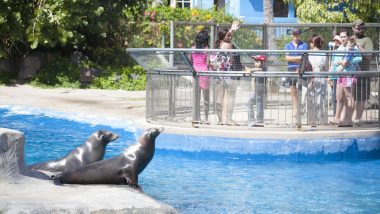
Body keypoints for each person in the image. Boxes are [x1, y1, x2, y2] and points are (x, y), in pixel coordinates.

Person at [211, 20, 240, 125]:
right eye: (229, 36)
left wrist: (231, 31)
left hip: (220, 74)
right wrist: (232, 30)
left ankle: (221, 119)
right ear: (223, 36)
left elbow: (212, 62)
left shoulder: (219, 45)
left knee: (222, 98)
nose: (231, 37)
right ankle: (227, 119)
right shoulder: (227, 45)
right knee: (227, 98)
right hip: (226, 74)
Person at [333, 30, 362, 127]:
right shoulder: (339, 48)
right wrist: (342, 62)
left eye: (344, 36)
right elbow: (335, 61)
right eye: (341, 37)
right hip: (340, 74)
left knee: (349, 96)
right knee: (339, 97)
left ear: (348, 37)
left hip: (348, 74)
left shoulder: (353, 47)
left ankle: (349, 120)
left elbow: (359, 58)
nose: (342, 38)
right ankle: (339, 119)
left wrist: (350, 61)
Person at [352, 19, 374, 125]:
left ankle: (357, 119)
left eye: (362, 28)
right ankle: (346, 118)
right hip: (350, 73)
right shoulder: (349, 39)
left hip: (363, 73)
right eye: (358, 27)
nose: (361, 29)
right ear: (353, 28)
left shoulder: (367, 40)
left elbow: (369, 56)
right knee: (349, 97)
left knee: (360, 98)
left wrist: (359, 48)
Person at [284, 28, 308, 120]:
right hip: (291, 69)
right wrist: (299, 57)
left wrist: (293, 57)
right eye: (294, 35)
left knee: (302, 92)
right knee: (293, 91)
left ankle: (302, 110)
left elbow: (304, 57)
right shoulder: (287, 45)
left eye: (297, 34)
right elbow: (287, 58)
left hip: (301, 70)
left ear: (300, 35)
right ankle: (295, 111)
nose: (295, 36)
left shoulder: (304, 45)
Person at [307, 34, 328, 126]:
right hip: (321, 76)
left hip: (313, 75)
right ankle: (320, 119)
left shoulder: (310, 53)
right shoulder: (323, 53)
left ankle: (313, 119)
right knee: (320, 98)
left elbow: (311, 65)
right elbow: (324, 67)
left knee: (312, 97)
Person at [190, 30, 211, 124]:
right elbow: (207, 63)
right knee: (206, 97)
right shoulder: (206, 49)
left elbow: (189, 61)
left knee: (196, 97)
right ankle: (206, 119)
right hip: (204, 72)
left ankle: (197, 117)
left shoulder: (192, 49)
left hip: (195, 73)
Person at [247, 55, 266, 127]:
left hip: (260, 91)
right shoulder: (256, 69)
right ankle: (252, 120)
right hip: (256, 91)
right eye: (255, 61)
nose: (256, 63)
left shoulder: (263, 68)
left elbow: (260, 69)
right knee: (249, 103)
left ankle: (259, 121)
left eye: (257, 61)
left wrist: (251, 70)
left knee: (259, 106)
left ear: (262, 62)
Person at [329, 34, 343, 116]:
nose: (336, 42)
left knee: (340, 97)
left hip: (340, 75)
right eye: (335, 41)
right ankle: (335, 115)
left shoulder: (344, 49)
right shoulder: (334, 51)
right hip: (334, 75)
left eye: (337, 40)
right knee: (335, 96)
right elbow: (332, 64)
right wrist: (329, 75)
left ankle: (340, 115)